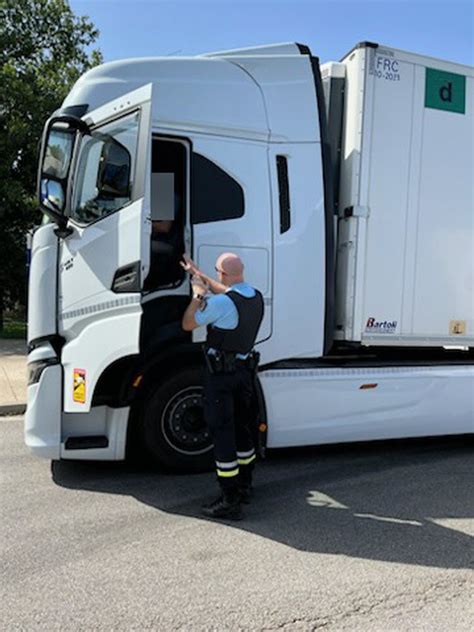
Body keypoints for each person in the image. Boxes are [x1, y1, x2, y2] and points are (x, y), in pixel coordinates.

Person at [181, 252, 264, 520]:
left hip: (222, 378)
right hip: (244, 375)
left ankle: (229, 499)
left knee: (222, 432)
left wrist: (197, 295)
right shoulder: (254, 296)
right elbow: (228, 292)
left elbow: (188, 323)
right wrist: (199, 273)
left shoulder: (219, 304)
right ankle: (245, 486)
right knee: (243, 431)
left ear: (222, 273)